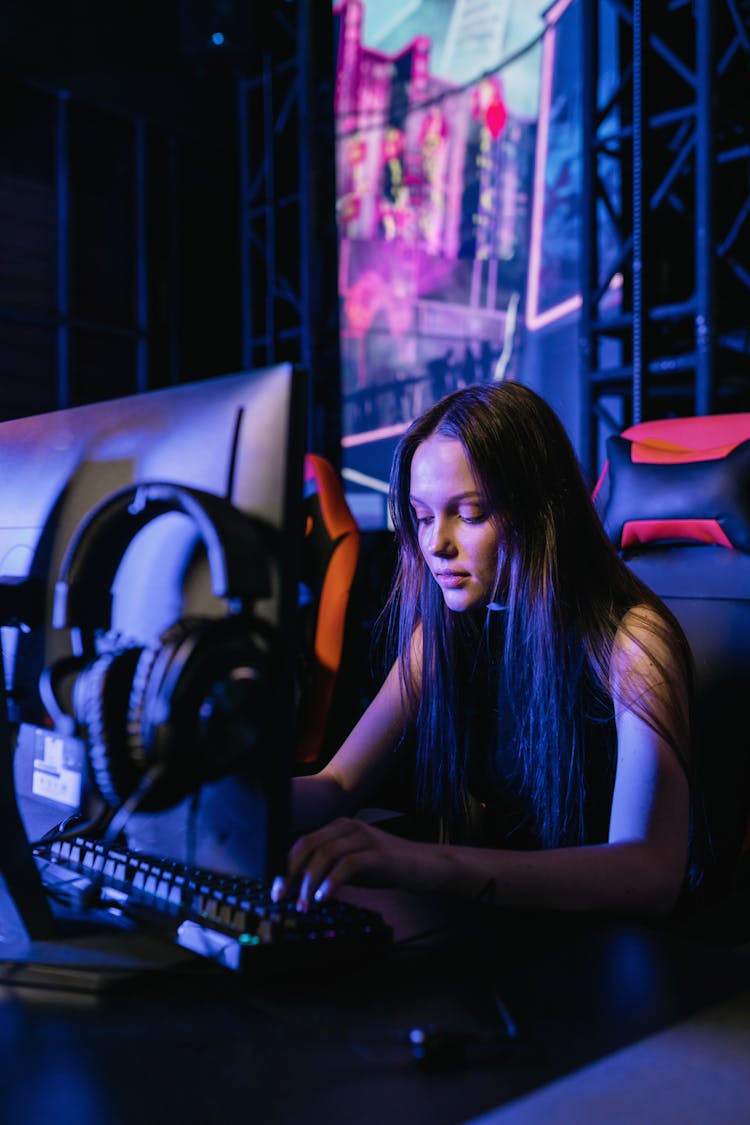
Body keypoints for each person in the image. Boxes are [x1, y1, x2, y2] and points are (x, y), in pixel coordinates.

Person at [272, 382, 700, 917]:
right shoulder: (447, 630)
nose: (435, 544)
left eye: (469, 514)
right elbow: (338, 783)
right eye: (423, 517)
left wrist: (430, 862)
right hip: (513, 933)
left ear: (540, 511)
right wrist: (228, 807)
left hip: (614, 953)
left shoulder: (632, 642)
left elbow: (649, 872)